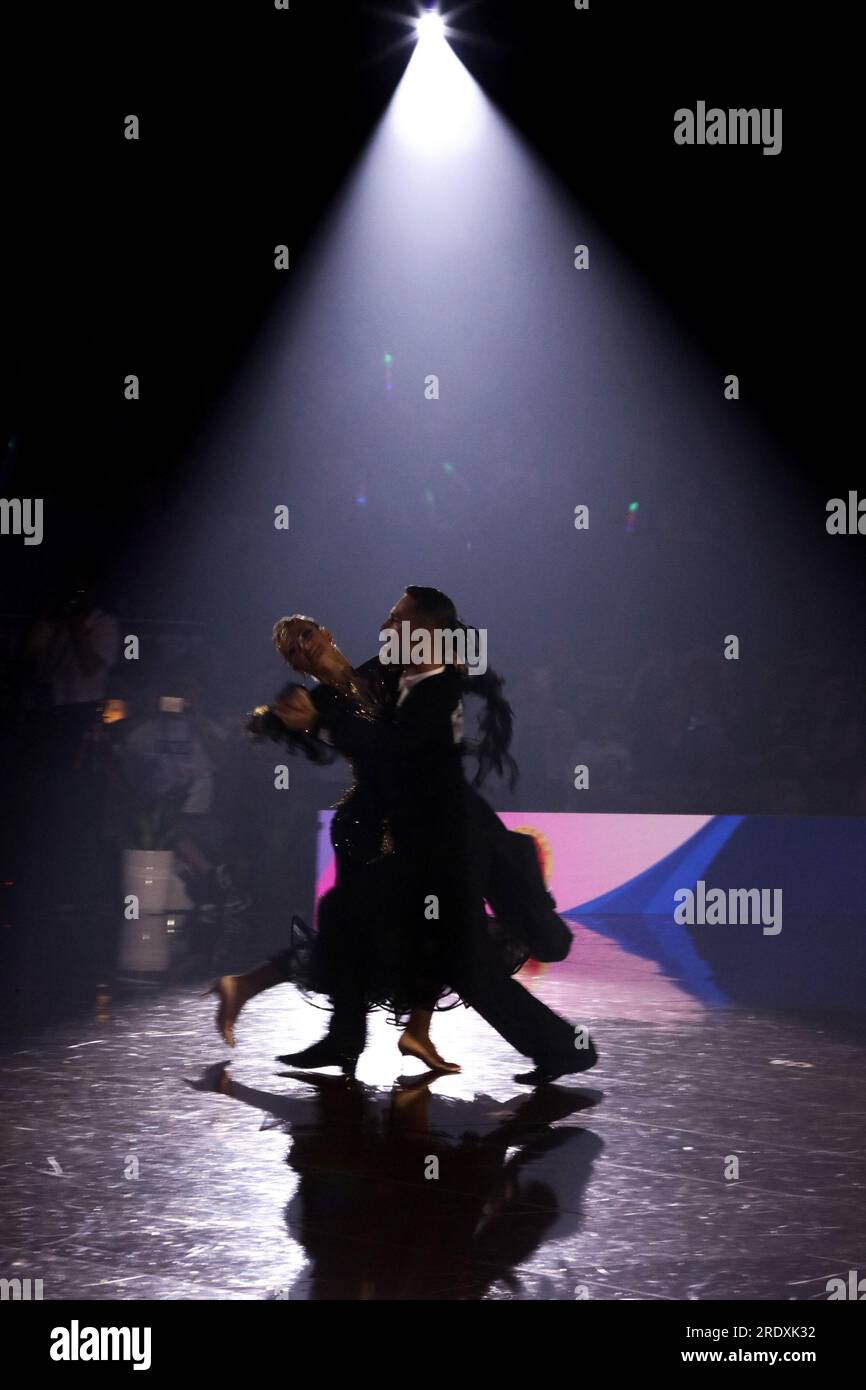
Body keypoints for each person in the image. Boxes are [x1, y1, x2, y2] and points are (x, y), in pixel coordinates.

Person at [213, 589, 598, 1084]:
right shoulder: (341, 692)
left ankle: (354, 1030)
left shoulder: (412, 680)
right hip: (396, 832)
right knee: (374, 926)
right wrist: (277, 721)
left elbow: (405, 746)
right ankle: (351, 1034)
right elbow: (350, 740)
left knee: (438, 946)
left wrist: (329, 721)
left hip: (444, 833)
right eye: (291, 650)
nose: (302, 649)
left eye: (306, 635)